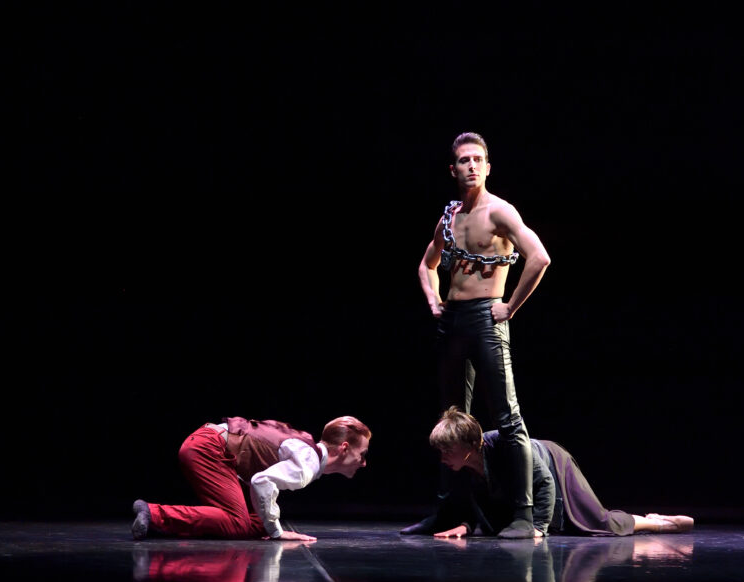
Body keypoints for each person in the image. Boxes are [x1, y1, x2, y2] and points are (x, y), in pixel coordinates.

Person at [417, 132, 552, 539]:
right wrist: (434, 300)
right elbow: (427, 265)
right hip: (453, 321)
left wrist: (510, 306)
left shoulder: (500, 212)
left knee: (507, 417)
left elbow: (540, 257)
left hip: (485, 318)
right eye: (464, 160)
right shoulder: (450, 217)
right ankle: (451, 514)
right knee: (451, 420)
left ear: (488, 167)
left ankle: (524, 515)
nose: (472, 166)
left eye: (478, 159)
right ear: (453, 169)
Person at [400, 408, 693, 538]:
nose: (442, 458)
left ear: (469, 445)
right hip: (539, 477)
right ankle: (655, 522)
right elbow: (478, 503)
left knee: (596, 522)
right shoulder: (462, 466)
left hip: (554, 463)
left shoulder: (507, 446)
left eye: (447, 450)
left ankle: (659, 524)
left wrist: (539, 526)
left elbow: (544, 481)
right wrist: (466, 526)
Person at [132, 415, 371, 542]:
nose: (363, 463)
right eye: (362, 454)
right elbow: (261, 481)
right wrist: (277, 532)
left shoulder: (307, 449)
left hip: (209, 444)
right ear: (344, 448)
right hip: (208, 447)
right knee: (238, 522)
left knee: (257, 523)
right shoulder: (307, 463)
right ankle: (154, 514)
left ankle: (161, 527)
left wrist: (270, 526)